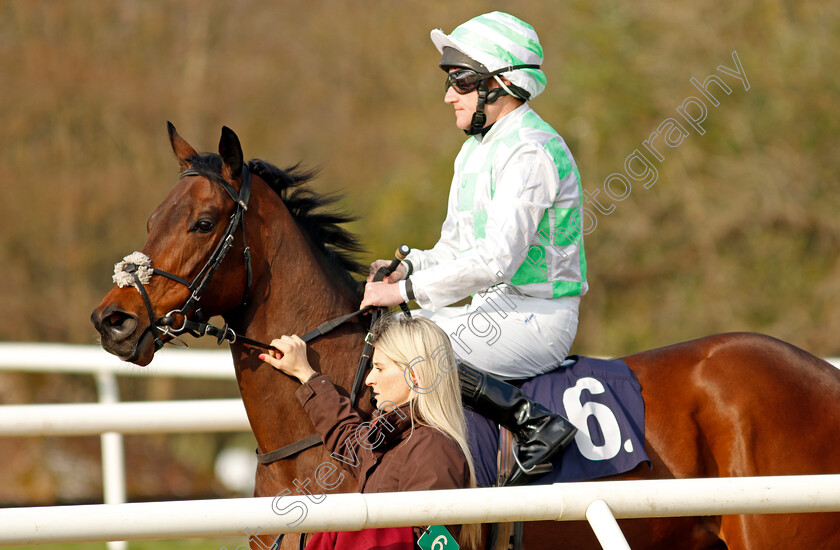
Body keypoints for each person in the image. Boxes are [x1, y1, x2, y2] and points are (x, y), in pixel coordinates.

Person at [361, 11, 585, 481]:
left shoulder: (531, 151)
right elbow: (456, 247)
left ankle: (534, 422)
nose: (448, 95)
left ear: (500, 84)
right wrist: (407, 269)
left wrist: (406, 293)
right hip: (495, 310)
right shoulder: (475, 151)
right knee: (392, 336)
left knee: (416, 350)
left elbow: (497, 261)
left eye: (459, 81)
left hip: (538, 321)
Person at [260, 314, 481, 549]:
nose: (369, 379)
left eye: (379, 368)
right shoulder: (395, 439)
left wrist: (344, 529)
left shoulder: (433, 448)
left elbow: (430, 544)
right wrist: (306, 374)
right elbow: (348, 439)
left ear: (414, 375)